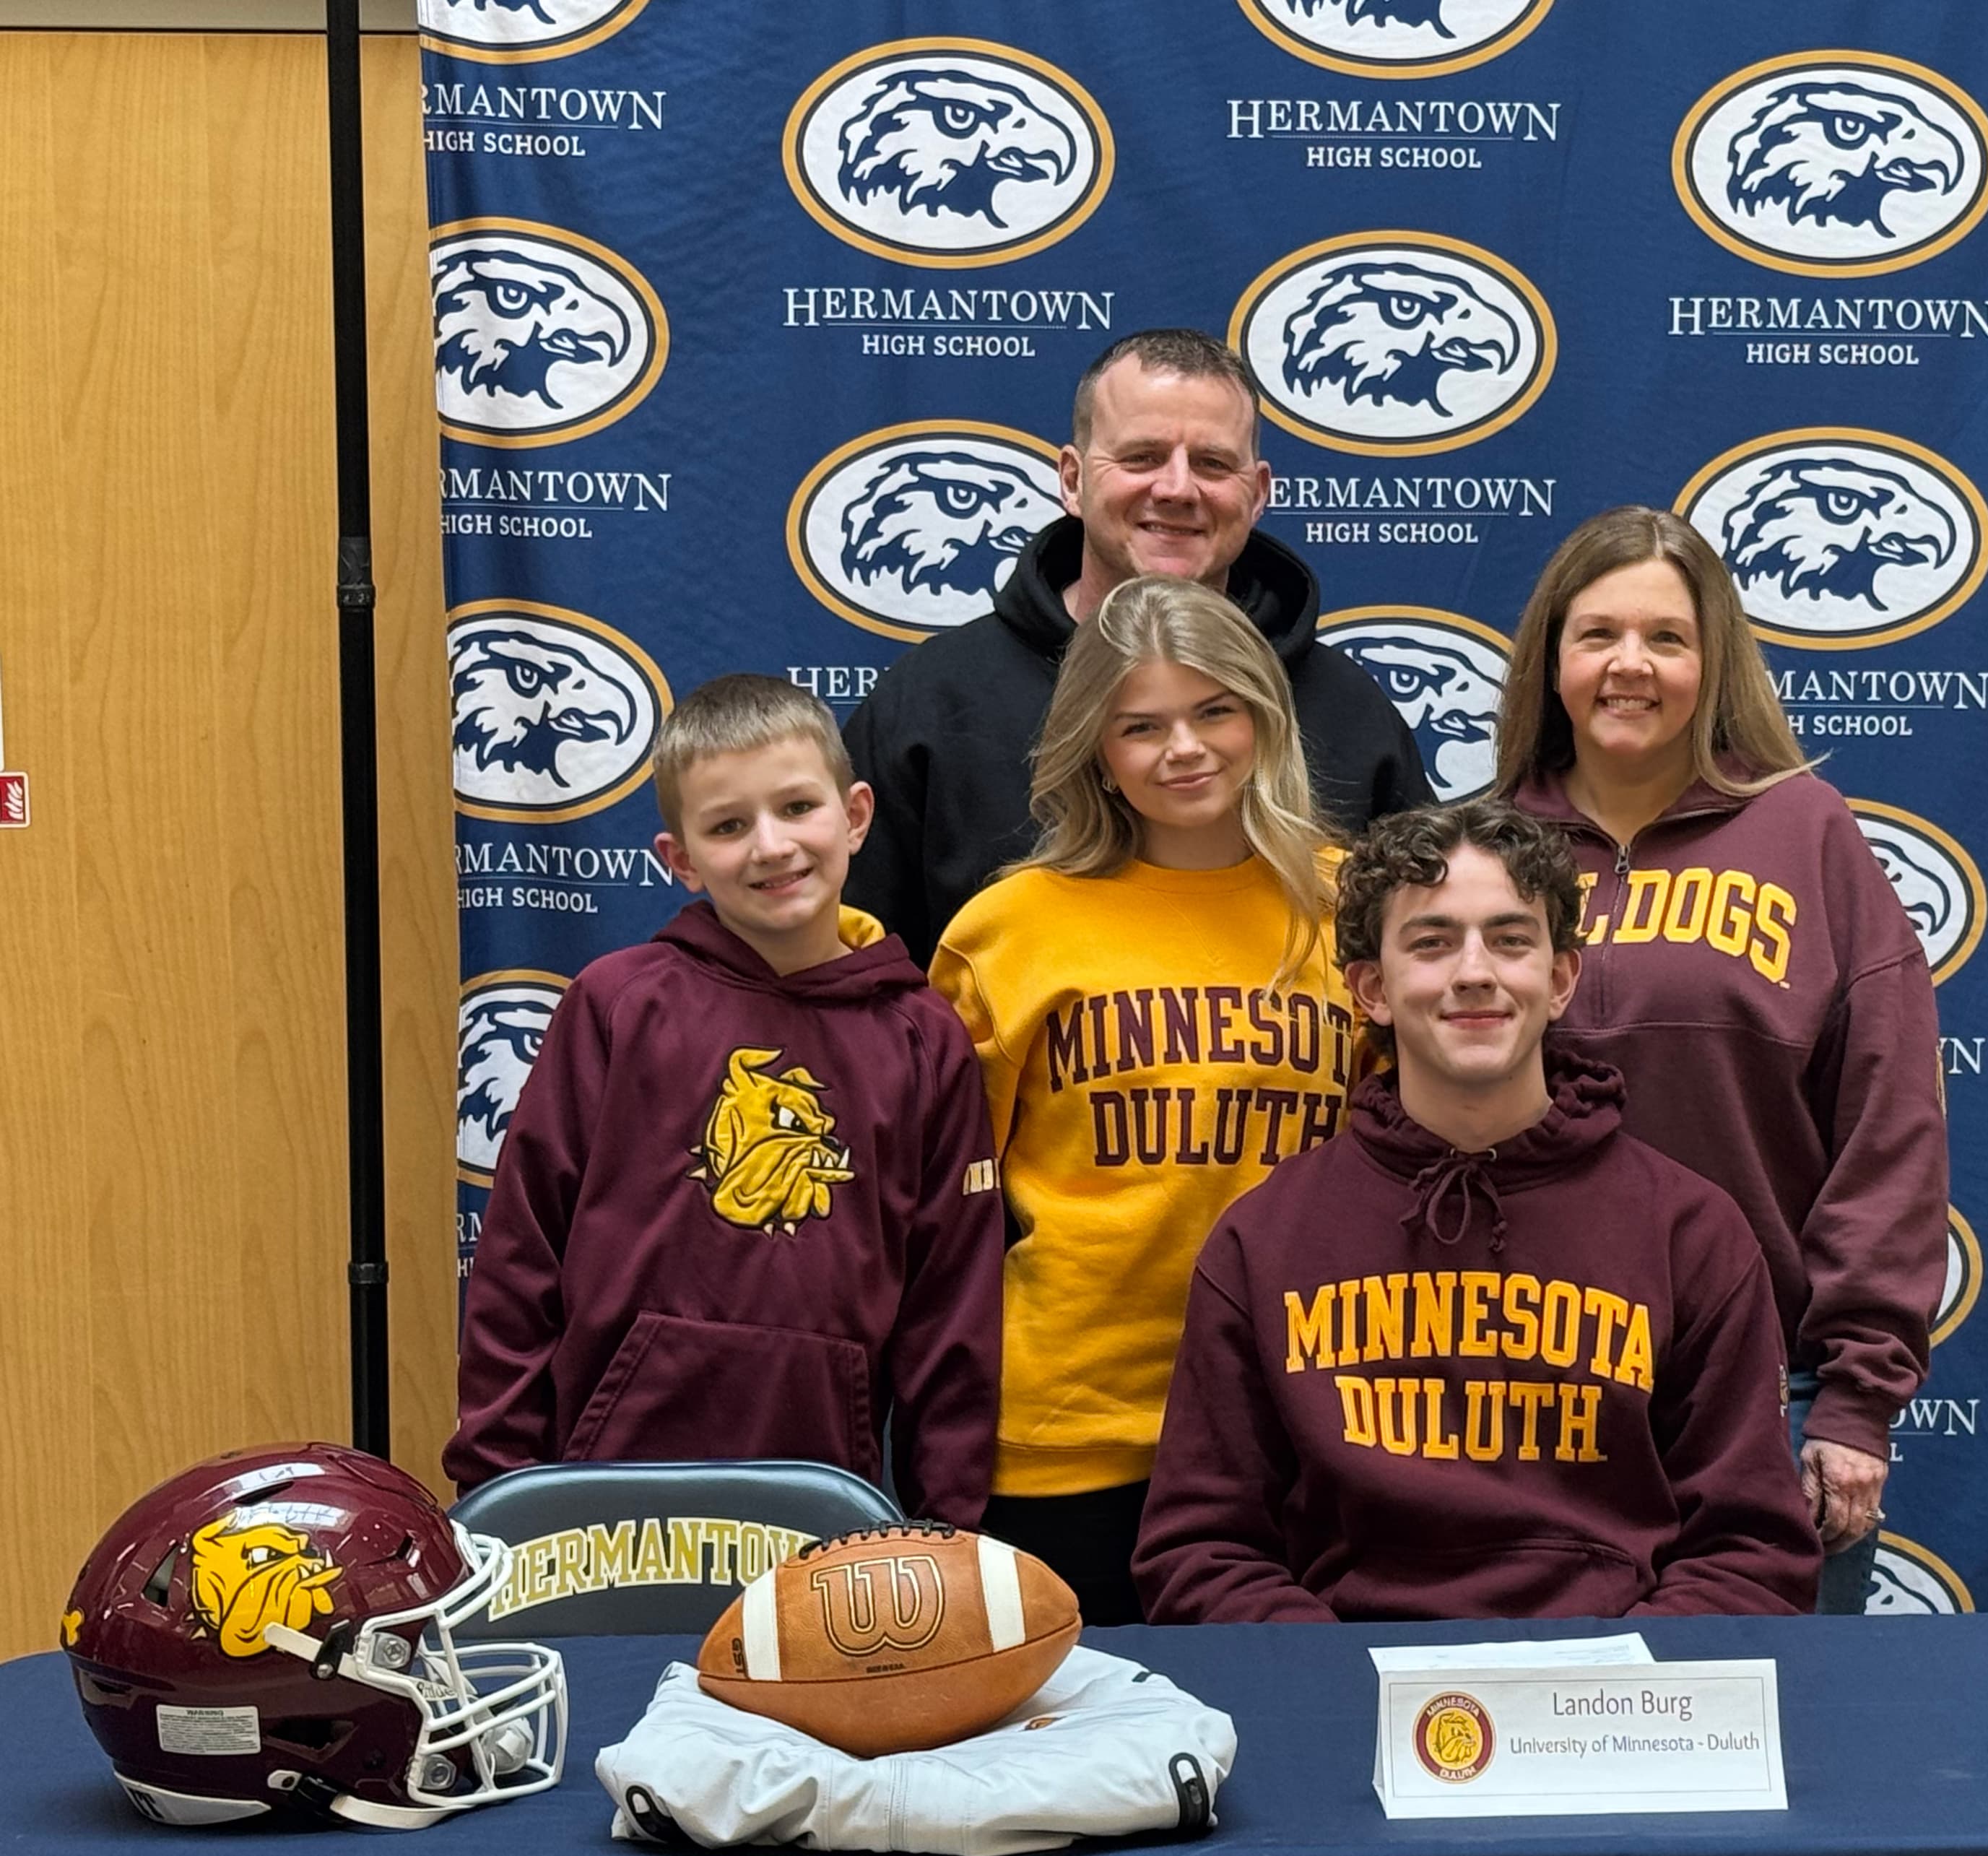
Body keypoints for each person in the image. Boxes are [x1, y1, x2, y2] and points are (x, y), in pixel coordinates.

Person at [1133, 800, 1822, 1623]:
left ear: (1561, 979)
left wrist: (1608, 1684)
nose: (1474, 972)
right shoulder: (1265, 1238)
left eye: (1510, 939)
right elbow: (1202, 1549)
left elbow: (1751, 1551)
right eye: (1431, 943)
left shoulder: (1692, 1233)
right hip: (1348, 1674)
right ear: (1371, 989)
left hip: (1611, 1679)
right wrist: (1342, 1677)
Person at [1494, 508, 1949, 1614]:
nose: (1631, 665)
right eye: (1599, 634)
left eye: (1667, 638)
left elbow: (1888, 1126)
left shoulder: (1806, 833)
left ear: (1715, 664)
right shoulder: (1487, 849)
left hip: (1767, 1391)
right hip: (1528, 1384)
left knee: (1781, 1713)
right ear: (1552, 658)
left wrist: (1855, 1400)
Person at [448, 675, 1004, 1520]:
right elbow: (521, 1260)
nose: (771, 847)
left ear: (856, 816)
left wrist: (945, 1528)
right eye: (728, 826)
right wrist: (499, 1489)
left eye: (797, 808)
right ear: (680, 858)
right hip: (596, 1500)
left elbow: (951, 1307)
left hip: (825, 1503)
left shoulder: (924, 1040)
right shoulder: (617, 1005)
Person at [929, 576, 1358, 1626]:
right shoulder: (1008, 931)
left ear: (1265, 715)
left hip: (1312, 1422)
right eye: (1141, 726)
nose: (1185, 748)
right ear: (1095, 748)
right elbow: (946, 1215)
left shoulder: (1358, 908)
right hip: (1072, 1431)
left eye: (1215, 710)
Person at [844, 327, 1429, 955]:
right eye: (1142, 458)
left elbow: (1423, 950)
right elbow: (846, 967)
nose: (1177, 489)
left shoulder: (1348, 708)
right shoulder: (930, 703)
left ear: (1258, 492)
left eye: (1212, 463)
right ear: (1072, 480)